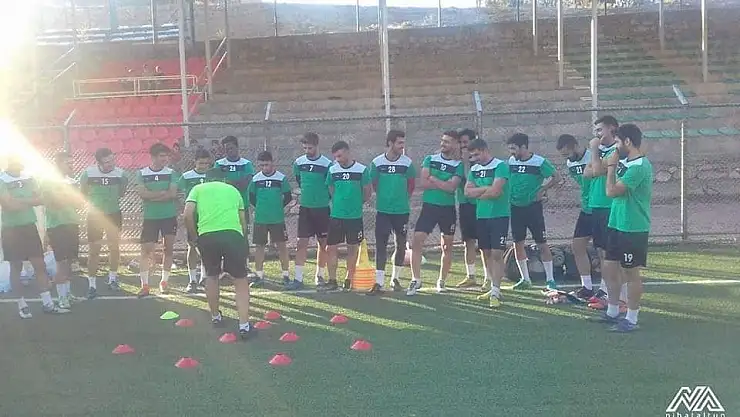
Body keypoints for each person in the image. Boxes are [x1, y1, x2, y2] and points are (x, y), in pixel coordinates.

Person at [184, 168, 255, 340]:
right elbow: (243, 221)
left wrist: (194, 237)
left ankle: (215, 316)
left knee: (212, 276)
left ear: (205, 179)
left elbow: (187, 214)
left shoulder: (197, 189)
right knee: (240, 279)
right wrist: (242, 240)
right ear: (223, 179)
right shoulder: (233, 190)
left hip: (207, 236)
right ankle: (244, 325)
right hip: (233, 235)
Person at [594, 124, 652, 333]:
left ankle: (632, 318)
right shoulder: (625, 161)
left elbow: (611, 191)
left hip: (633, 227)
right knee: (610, 268)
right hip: (616, 223)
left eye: (618, 142)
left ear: (627, 141)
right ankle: (612, 311)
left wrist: (611, 168)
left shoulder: (639, 166)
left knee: (631, 273)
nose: (616, 146)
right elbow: (594, 170)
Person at [0, 155, 68, 317]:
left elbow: (41, 199)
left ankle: (47, 303)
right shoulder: (2, 180)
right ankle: (22, 304)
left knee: (40, 265)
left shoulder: (29, 178)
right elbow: (9, 205)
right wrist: (29, 200)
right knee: (16, 267)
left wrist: (20, 200)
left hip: (29, 226)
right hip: (11, 230)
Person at [407, 131, 463, 296]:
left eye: (447, 141)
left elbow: (451, 188)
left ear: (455, 144)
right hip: (429, 207)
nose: (443, 144)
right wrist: (442, 183)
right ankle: (416, 279)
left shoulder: (458, 165)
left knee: (447, 246)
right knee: (417, 240)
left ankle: (441, 281)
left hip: (447, 209)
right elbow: (423, 183)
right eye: (442, 140)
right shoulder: (430, 159)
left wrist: (433, 179)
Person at [507, 133, 561, 291]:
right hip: (515, 207)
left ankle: (550, 279)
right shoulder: (511, 161)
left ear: (524, 147)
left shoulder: (539, 162)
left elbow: (556, 177)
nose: (511, 152)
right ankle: (525, 279)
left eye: (514, 148)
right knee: (518, 243)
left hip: (533, 208)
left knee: (542, 243)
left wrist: (543, 189)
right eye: (510, 149)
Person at [584, 115, 627, 309]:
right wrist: (596, 160)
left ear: (612, 128)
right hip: (597, 205)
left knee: (614, 256)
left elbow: (595, 171)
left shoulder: (617, 149)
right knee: (602, 252)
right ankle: (606, 292)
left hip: (611, 206)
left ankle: (622, 298)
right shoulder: (600, 151)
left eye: (600, 129)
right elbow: (587, 172)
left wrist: (594, 150)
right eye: (596, 131)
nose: (597, 134)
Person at [367, 130, 415, 295]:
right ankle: (379, 282)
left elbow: (411, 185)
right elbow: (374, 183)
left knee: (401, 244)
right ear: (390, 143)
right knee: (381, 245)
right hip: (383, 211)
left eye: (403, 143)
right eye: (399, 143)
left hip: (402, 211)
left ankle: (395, 279)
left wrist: (402, 199)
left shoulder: (407, 163)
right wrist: (385, 197)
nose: (402, 146)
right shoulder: (377, 162)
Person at [464, 139, 510, 309]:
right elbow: (467, 192)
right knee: (486, 252)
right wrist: (486, 189)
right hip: (481, 216)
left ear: (485, 150)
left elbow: (496, 191)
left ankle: (496, 290)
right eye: (472, 156)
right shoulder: (474, 169)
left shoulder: (500, 166)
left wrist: (479, 192)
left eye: (477, 154)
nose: (475, 158)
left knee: (497, 253)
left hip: (499, 215)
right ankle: (492, 287)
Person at [80, 147, 127, 299]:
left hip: (113, 214)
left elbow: (121, 193)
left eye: (112, 160)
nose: (111, 164)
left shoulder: (121, 174)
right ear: (98, 163)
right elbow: (83, 193)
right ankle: (92, 285)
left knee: (114, 248)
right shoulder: (88, 174)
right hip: (95, 216)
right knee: (94, 250)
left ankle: (113, 278)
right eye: (107, 162)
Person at [325, 141, 372, 291]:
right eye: (335, 157)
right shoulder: (332, 170)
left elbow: (367, 191)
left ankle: (349, 279)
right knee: (331, 247)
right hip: (336, 215)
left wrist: (357, 202)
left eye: (339, 156)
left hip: (354, 217)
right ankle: (332, 280)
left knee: (352, 248)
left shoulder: (362, 170)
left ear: (347, 152)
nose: (337, 159)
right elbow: (331, 188)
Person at [135, 143, 179, 297]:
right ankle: (145, 285)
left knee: (168, 249)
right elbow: (142, 194)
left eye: (166, 156)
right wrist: (161, 194)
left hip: (169, 216)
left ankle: (164, 282)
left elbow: (172, 194)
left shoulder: (171, 173)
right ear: (153, 157)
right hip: (150, 218)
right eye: (162, 156)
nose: (165, 159)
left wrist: (152, 196)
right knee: (146, 251)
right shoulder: (142, 173)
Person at [41, 152, 83, 309]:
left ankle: (68, 293)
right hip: (57, 226)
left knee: (70, 261)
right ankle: (61, 298)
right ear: (58, 164)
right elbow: (52, 203)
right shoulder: (48, 181)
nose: (71, 166)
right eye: (67, 163)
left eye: (72, 162)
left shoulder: (72, 181)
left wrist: (67, 199)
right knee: (61, 263)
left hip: (72, 223)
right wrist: (68, 198)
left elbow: (79, 203)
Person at [556, 134, 595, 300]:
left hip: (601, 208)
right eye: (563, 155)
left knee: (604, 250)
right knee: (577, 246)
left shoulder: (592, 157)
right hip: (586, 209)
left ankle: (606, 289)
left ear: (575, 146)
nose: (566, 157)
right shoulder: (570, 163)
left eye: (567, 153)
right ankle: (587, 287)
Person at [248, 151, 294, 289]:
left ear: (273, 163)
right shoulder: (256, 179)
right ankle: (259, 276)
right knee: (259, 247)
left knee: (282, 246)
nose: (264, 167)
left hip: (277, 219)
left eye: (267, 164)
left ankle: (286, 275)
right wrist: (260, 208)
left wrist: (277, 208)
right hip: (261, 219)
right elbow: (251, 197)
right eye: (262, 165)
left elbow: (288, 196)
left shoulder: (281, 178)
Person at [292, 133, 332, 288]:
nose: (307, 151)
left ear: (316, 146)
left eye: (310, 148)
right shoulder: (299, 162)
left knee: (323, 243)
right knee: (301, 243)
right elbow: (299, 180)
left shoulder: (327, 164)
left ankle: (319, 276)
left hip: (322, 209)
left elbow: (329, 185)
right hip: (305, 208)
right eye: (305, 148)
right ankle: (298, 278)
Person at [215, 135, 255, 272]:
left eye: (231, 148)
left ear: (237, 148)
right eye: (226, 149)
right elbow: (218, 182)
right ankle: (225, 265)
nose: (228, 151)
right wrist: (233, 183)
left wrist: (229, 182)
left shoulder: (246, 164)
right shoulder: (219, 164)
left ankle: (245, 264)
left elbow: (245, 183)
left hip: (241, 205)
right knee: (224, 234)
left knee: (243, 234)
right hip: (224, 206)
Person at [455, 128, 488, 291]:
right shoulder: (460, 163)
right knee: (468, 241)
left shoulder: (481, 163)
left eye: (465, 142)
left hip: (481, 205)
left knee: (484, 244)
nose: (463, 146)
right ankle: (471, 276)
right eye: (461, 143)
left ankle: (488, 278)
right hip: (465, 204)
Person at [177, 147, 211, 293]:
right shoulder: (186, 176)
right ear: (195, 162)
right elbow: (179, 194)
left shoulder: (212, 176)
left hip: (209, 216)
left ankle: (204, 277)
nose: (203, 166)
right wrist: (184, 209)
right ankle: (192, 280)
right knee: (192, 246)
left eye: (206, 163)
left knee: (207, 247)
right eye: (201, 163)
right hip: (193, 217)